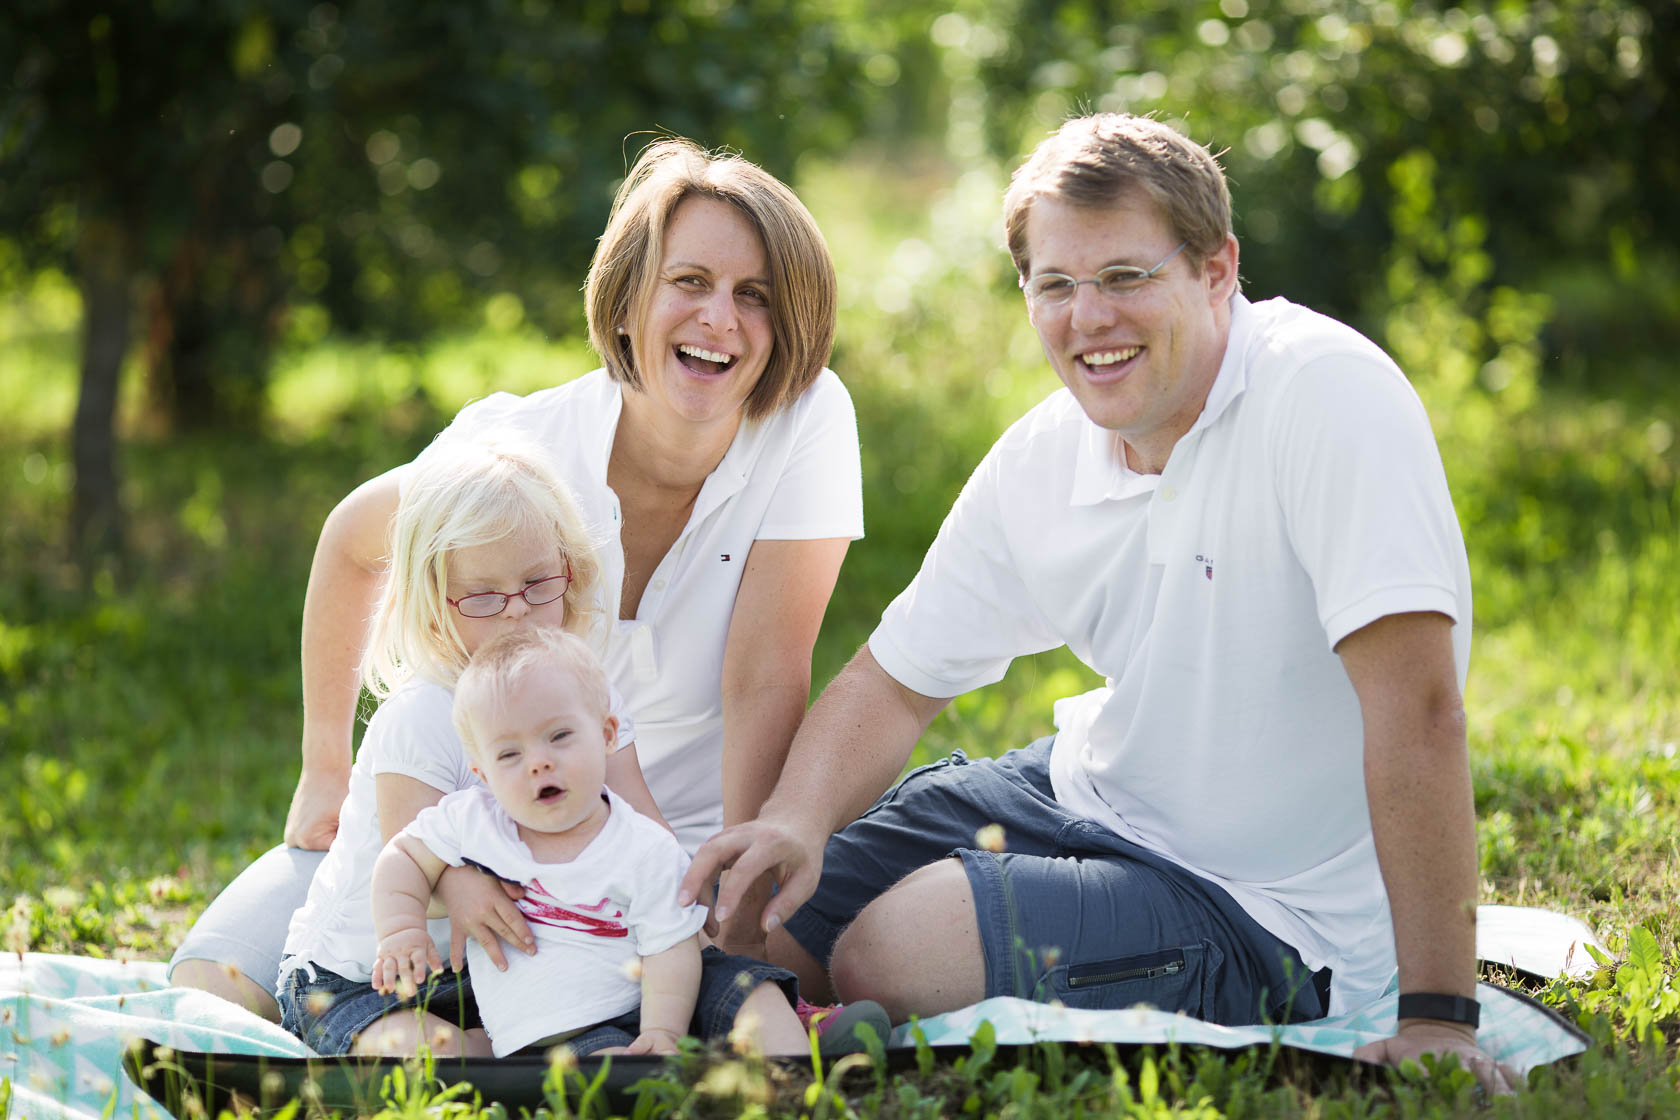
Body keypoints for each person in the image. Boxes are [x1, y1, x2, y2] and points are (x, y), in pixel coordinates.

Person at [684, 113, 1515, 1094]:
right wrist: (795, 818)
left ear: (1216, 270)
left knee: (894, 953)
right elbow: (891, 683)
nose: (1089, 319)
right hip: (1083, 793)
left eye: (1125, 277)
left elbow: (1419, 708)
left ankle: (841, 1018)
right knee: (756, 924)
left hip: (1264, 907)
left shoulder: (1323, 395)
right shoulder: (1046, 454)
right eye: (1056, 286)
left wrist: (1437, 1017)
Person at [170, 137, 863, 1021]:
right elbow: (352, 539)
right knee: (212, 998)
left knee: (812, 969)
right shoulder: (523, 454)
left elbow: (766, 677)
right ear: (626, 301)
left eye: (754, 295)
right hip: (464, 840)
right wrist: (324, 768)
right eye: (688, 282)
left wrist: (736, 914)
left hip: (662, 852)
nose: (719, 318)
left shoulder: (806, 422)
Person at [365, 627, 820, 1058]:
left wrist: (662, 1031)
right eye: (510, 754)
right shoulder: (473, 823)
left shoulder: (642, 845)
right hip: (560, 1028)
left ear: (606, 736)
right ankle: (685, 1074)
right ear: (482, 774)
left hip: (665, 993)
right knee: (604, 1066)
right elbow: (403, 855)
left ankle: (791, 1070)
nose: (538, 763)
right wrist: (402, 929)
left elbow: (670, 949)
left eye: (559, 736)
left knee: (749, 990)